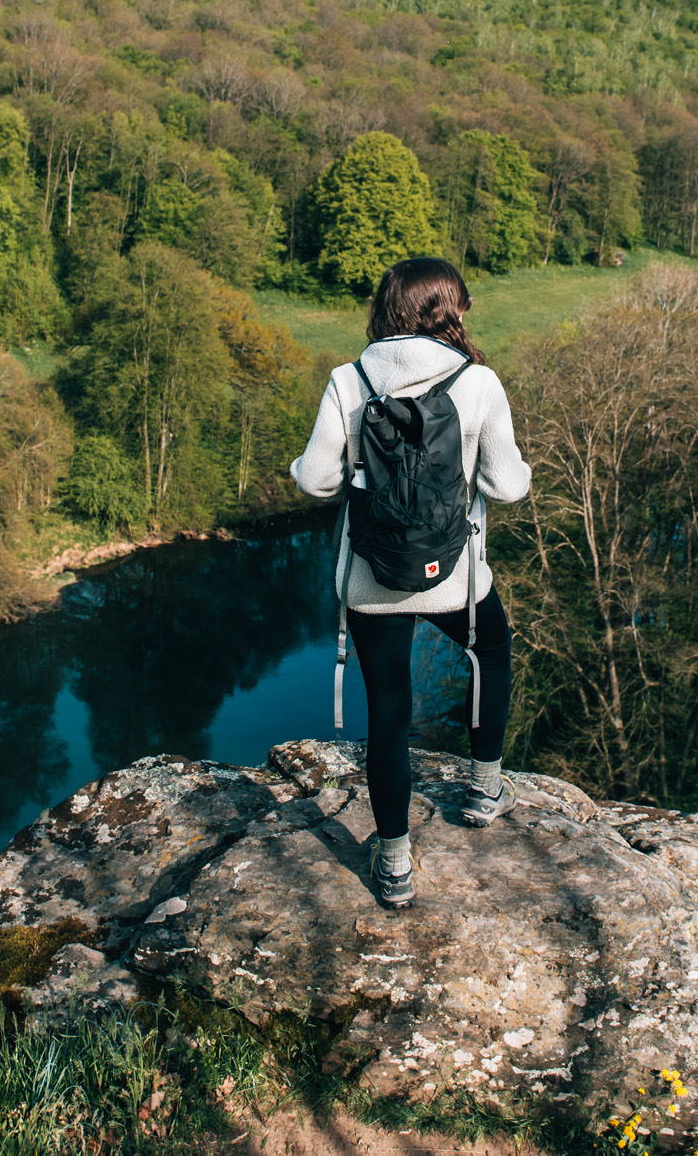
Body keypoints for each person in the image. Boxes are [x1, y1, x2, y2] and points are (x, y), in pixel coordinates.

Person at [290, 256, 532, 908]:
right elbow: (507, 485)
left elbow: (315, 480)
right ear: (447, 310)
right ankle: (484, 790)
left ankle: (393, 865)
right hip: (456, 575)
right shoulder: (478, 383)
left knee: (389, 712)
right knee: (492, 655)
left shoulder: (349, 379)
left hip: (373, 580)